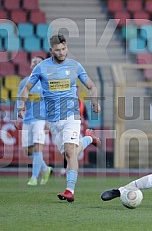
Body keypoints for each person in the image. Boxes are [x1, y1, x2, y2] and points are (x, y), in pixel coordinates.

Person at [18, 34, 101, 202]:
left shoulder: (75, 66)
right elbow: (26, 88)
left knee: (70, 152)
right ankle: (87, 139)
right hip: (53, 120)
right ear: (51, 50)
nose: (62, 52)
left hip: (71, 115)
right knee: (71, 153)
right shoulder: (41, 68)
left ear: (66, 47)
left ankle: (70, 190)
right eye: (58, 50)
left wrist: (94, 100)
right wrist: (21, 105)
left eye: (64, 49)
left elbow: (91, 86)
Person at [16, 56, 52, 186]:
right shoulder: (24, 83)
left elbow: (50, 102)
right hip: (27, 119)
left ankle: (34, 178)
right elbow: (19, 99)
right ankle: (45, 168)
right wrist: (16, 115)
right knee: (27, 150)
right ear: (30, 65)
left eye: (39, 62)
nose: (35, 63)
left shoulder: (46, 83)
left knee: (37, 148)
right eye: (34, 62)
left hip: (40, 119)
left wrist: (49, 120)